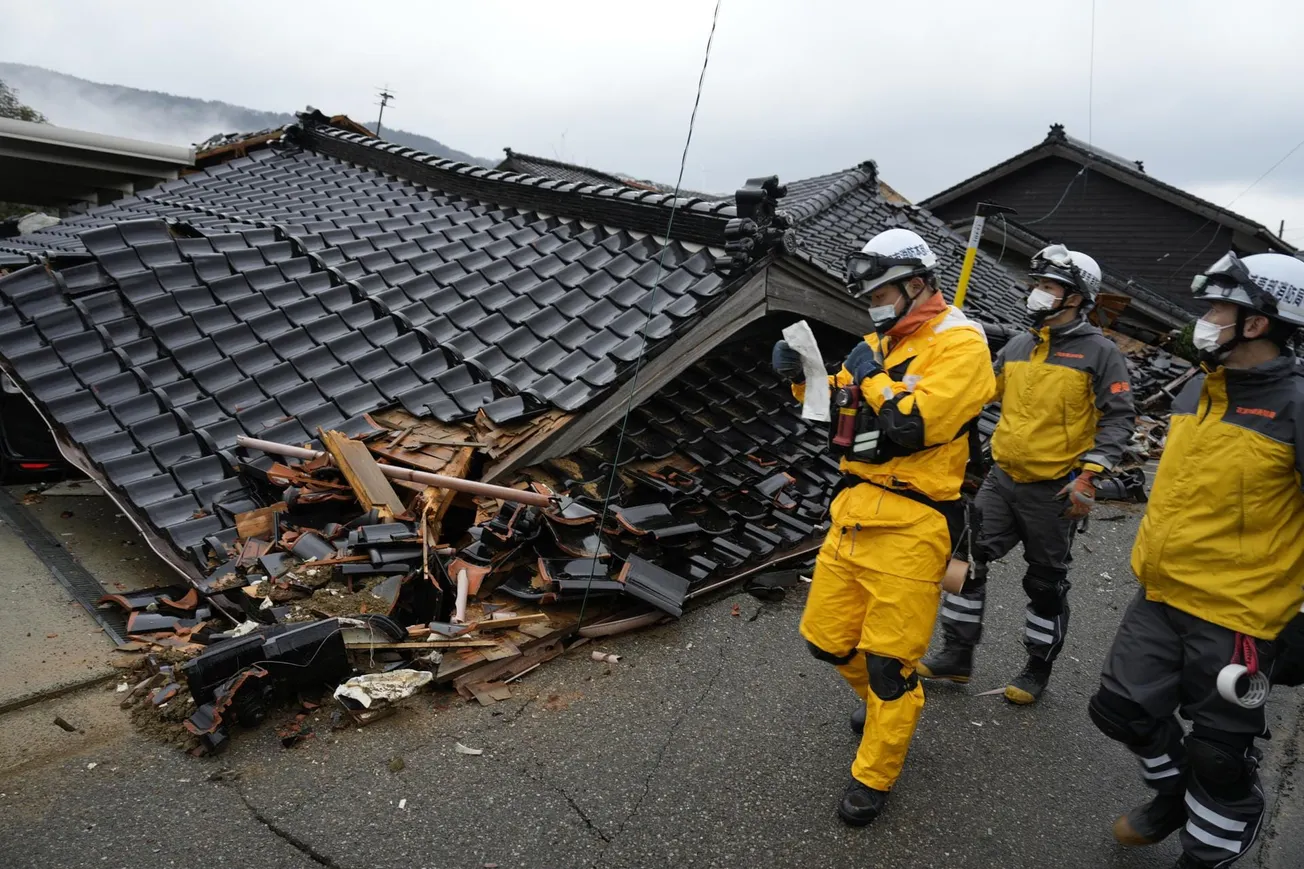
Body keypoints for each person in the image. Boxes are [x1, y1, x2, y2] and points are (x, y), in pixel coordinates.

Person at [771, 227, 995, 826]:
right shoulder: (880, 340)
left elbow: (913, 425)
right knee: (827, 640)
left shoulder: (962, 344)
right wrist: (802, 375)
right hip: (853, 510)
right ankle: (877, 709)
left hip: (916, 521)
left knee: (889, 666)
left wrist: (868, 374)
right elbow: (833, 410)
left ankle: (875, 773)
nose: (872, 305)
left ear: (917, 284)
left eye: (882, 292)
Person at [1088, 251, 1304, 868]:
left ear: (1258, 322)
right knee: (1119, 710)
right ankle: (1175, 793)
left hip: (1239, 615)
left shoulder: (1295, 405)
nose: (1204, 320)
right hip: (1159, 594)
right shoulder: (1195, 389)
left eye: (1217, 308)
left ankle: (1211, 847)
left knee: (1219, 754)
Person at [917, 244, 1135, 703]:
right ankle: (957, 656)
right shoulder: (1018, 345)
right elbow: (978, 393)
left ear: (1077, 297)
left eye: (1050, 286)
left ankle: (1037, 667)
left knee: (1044, 582)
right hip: (1001, 479)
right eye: (1037, 284)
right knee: (962, 563)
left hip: (1057, 490)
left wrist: (1090, 475)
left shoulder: (1100, 354)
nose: (1038, 293)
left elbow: (1119, 418)